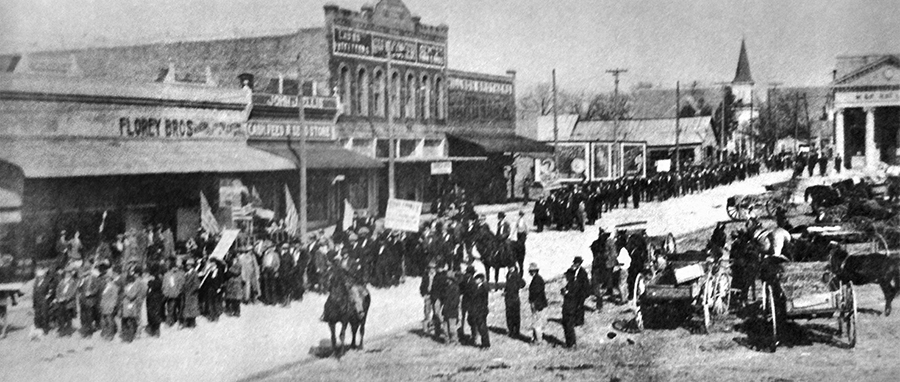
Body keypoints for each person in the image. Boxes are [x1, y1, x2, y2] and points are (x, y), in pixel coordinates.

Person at [77, 263, 102, 337]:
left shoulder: (94, 278)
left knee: (89, 316)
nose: (83, 273)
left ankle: (89, 332)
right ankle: (84, 329)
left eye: (85, 272)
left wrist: (90, 293)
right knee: (83, 316)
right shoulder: (82, 279)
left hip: (90, 300)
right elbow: (79, 288)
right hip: (82, 300)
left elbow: (96, 288)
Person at [527, 263, 548, 344]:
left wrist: (533, 303)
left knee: (537, 323)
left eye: (530, 271)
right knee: (536, 322)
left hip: (537, 305)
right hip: (538, 304)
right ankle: (536, 338)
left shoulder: (537, 280)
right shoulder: (537, 279)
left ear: (533, 271)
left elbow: (536, 293)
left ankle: (538, 340)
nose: (529, 273)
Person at [54, 266, 78, 337]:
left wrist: (66, 298)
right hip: (61, 302)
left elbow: (73, 293)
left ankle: (68, 332)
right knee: (61, 317)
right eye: (66, 273)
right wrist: (58, 298)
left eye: (69, 273)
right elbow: (57, 290)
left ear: (71, 274)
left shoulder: (73, 282)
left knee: (68, 318)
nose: (67, 274)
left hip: (69, 303)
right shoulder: (62, 281)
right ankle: (61, 331)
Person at [120, 272, 143, 343]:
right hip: (126, 306)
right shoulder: (127, 287)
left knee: (131, 321)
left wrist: (126, 293)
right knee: (125, 321)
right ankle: (125, 336)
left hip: (131, 306)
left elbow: (132, 296)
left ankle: (130, 337)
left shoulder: (134, 287)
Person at [468, 273, 490, 348]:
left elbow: (484, 301)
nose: (475, 280)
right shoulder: (476, 287)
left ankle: (486, 344)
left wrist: (481, 310)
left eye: (476, 279)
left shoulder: (483, 288)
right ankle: (484, 343)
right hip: (476, 310)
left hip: (481, 310)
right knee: (480, 327)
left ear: (480, 280)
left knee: (482, 328)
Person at [98, 266, 120, 340]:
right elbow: (103, 296)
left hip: (109, 306)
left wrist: (112, 306)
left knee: (109, 319)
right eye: (105, 279)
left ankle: (110, 334)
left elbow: (114, 298)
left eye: (107, 279)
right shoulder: (106, 286)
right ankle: (105, 332)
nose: (105, 280)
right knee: (103, 319)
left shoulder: (114, 287)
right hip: (104, 305)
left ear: (110, 279)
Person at [503, 264, 525, 337]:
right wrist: (505, 291)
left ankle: (516, 331)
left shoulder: (516, 275)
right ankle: (511, 330)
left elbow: (523, 283)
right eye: (509, 267)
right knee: (509, 315)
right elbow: (507, 285)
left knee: (515, 315)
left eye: (511, 267)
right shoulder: (508, 275)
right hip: (508, 298)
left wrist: (516, 288)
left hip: (514, 297)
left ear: (514, 267)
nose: (510, 268)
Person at [32, 266, 55, 336]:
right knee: (37, 314)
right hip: (37, 300)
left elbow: (51, 291)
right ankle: (38, 327)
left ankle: (45, 328)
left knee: (44, 314)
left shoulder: (47, 281)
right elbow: (34, 291)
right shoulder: (36, 282)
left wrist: (46, 298)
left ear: (43, 275)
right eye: (38, 276)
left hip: (44, 300)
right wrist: (34, 300)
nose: (39, 277)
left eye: (40, 276)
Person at [162, 259, 185, 327]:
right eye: (174, 267)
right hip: (170, 295)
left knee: (179, 308)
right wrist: (165, 292)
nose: (175, 269)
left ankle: (180, 322)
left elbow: (182, 284)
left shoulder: (180, 274)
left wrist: (178, 291)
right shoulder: (167, 275)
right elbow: (164, 285)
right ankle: (170, 322)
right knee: (171, 308)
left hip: (178, 294)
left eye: (176, 267)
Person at [570, 257, 591, 326]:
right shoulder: (575, 270)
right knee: (576, 306)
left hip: (581, 292)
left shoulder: (582, 272)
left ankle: (579, 321)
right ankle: (577, 320)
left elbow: (585, 284)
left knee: (579, 306)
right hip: (576, 292)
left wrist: (585, 293)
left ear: (579, 264)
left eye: (575, 263)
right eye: (574, 263)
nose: (574, 264)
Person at [442, 270, 461, 345]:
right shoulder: (446, 287)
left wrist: (450, 306)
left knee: (452, 328)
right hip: (446, 309)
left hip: (452, 310)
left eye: (447, 279)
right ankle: (447, 339)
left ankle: (454, 340)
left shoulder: (455, 288)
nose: (446, 280)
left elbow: (456, 300)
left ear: (450, 280)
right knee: (445, 327)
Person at [561, 269, 579, 348]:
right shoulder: (569, 284)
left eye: (567, 276)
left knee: (569, 326)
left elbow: (574, 295)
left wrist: (566, 293)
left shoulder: (574, 284)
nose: (566, 277)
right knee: (566, 325)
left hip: (570, 309)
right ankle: (570, 343)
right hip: (567, 308)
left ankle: (571, 344)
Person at [419, 262, 438, 334]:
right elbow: (422, 286)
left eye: (433, 268)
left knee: (436, 311)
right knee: (427, 311)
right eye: (430, 268)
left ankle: (436, 327)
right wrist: (423, 294)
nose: (431, 270)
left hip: (435, 295)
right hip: (428, 295)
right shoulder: (426, 276)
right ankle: (425, 329)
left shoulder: (437, 276)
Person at [181, 258, 200, 328]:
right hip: (187, 293)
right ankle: (188, 323)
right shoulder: (187, 273)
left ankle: (192, 323)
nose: (187, 266)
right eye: (187, 265)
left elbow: (196, 284)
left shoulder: (194, 273)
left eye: (189, 265)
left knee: (192, 309)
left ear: (192, 266)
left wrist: (191, 291)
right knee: (187, 308)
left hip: (192, 294)